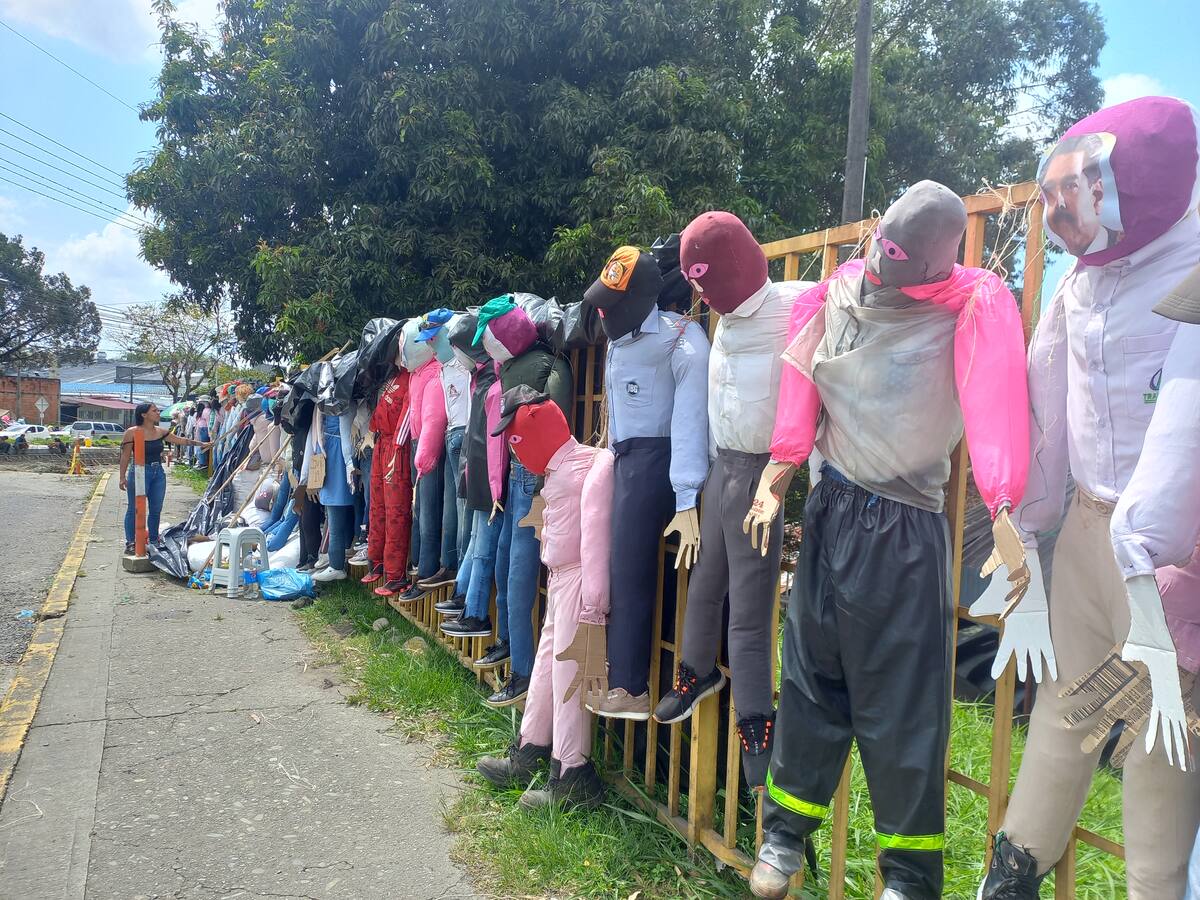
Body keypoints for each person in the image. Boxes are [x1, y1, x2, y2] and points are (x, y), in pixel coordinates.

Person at [119, 402, 211, 555]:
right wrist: (122, 477)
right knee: (134, 509)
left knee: (156, 509)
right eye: (154, 411)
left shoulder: (161, 431)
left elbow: (181, 440)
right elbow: (125, 455)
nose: (158, 413)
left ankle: (154, 541)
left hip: (158, 473)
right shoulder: (132, 432)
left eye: (157, 410)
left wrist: (202, 444)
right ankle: (131, 542)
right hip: (139, 472)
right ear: (144, 415)